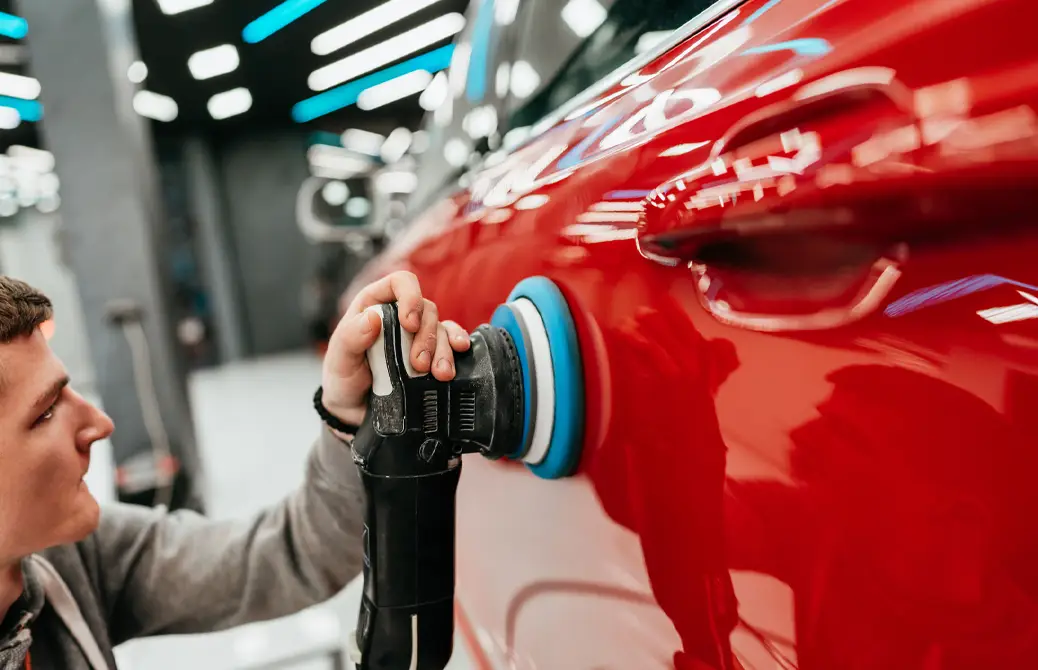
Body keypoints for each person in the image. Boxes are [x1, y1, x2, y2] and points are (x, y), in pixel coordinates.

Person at [0, 271, 471, 669]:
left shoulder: (76, 559)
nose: (100, 425)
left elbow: (289, 553)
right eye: (45, 412)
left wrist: (349, 417)